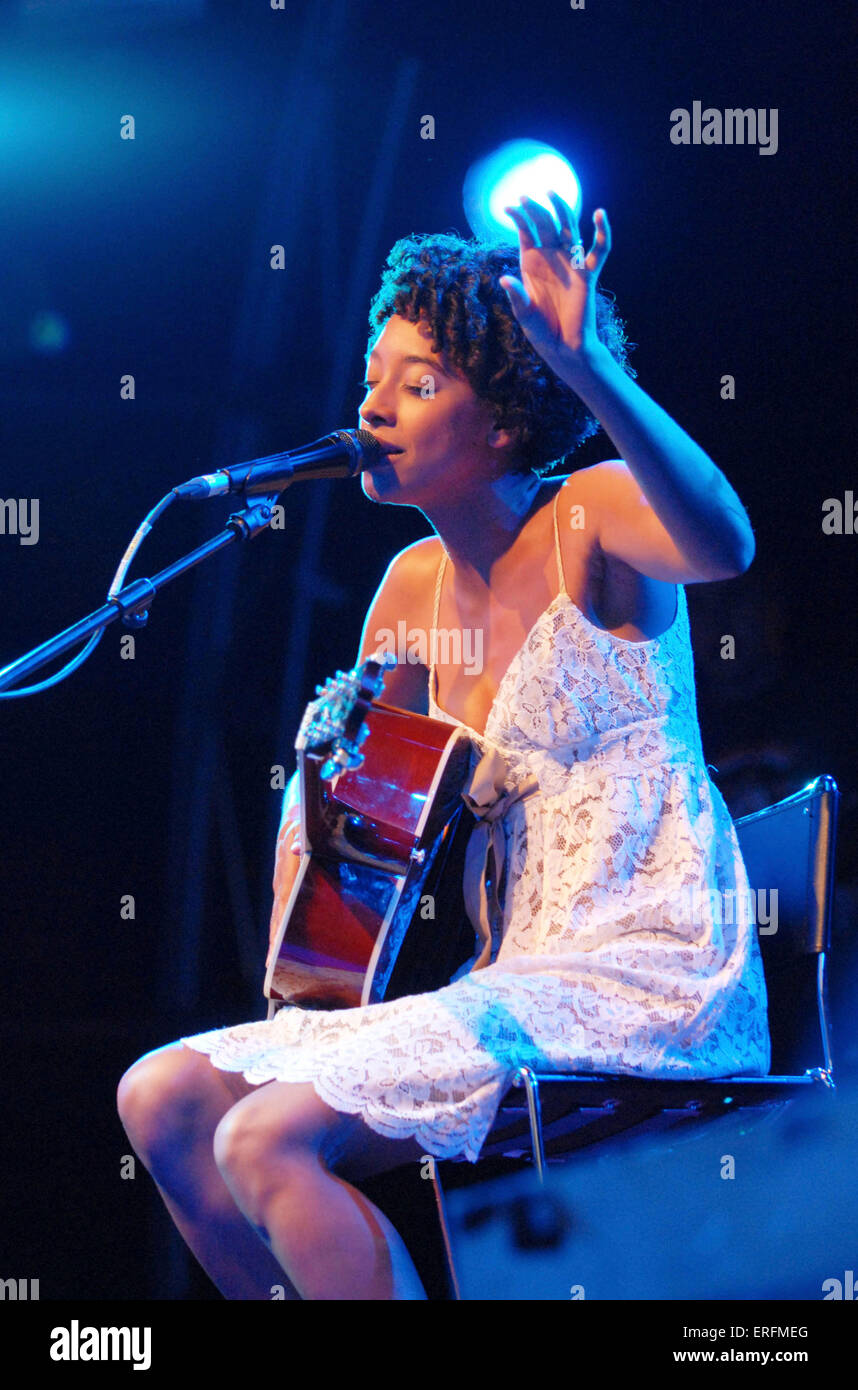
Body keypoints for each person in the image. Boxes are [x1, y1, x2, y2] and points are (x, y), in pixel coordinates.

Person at [117, 192, 770, 1301]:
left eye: (418, 384)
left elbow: (728, 541)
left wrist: (587, 368)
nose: (374, 405)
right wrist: (325, 788)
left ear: (505, 420)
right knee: (163, 1100)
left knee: (262, 1138)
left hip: (646, 965)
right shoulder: (407, 591)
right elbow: (358, 859)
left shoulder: (594, 516)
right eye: (373, 375)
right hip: (511, 979)